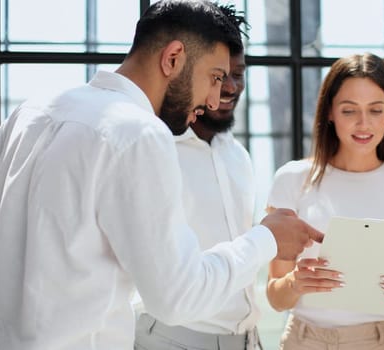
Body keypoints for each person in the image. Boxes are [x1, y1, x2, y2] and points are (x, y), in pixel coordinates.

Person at [0, 1, 323, 349]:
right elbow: (177, 296)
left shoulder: (37, 107)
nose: (215, 96)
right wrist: (266, 239)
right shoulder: (141, 133)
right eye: (215, 76)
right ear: (173, 58)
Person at [265, 53, 384, 350]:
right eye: (349, 111)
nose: (363, 124)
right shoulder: (292, 179)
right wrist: (294, 283)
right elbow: (275, 298)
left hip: (382, 340)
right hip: (305, 341)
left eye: (375, 110)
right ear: (329, 112)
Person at [133, 4, 264, 350]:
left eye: (239, 74)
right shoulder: (156, 148)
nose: (231, 87)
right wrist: (269, 238)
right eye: (219, 76)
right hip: (171, 339)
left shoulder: (238, 156)